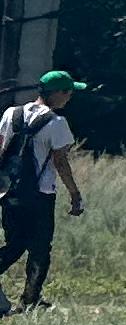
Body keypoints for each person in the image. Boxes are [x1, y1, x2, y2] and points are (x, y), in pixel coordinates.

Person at [0, 70, 89, 307]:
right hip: (40, 195)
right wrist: (75, 194)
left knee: (16, 243)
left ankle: (25, 299)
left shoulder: (11, 114)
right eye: (68, 92)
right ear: (57, 93)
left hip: (8, 192)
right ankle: (30, 300)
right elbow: (60, 161)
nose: (69, 98)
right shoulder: (57, 123)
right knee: (39, 249)